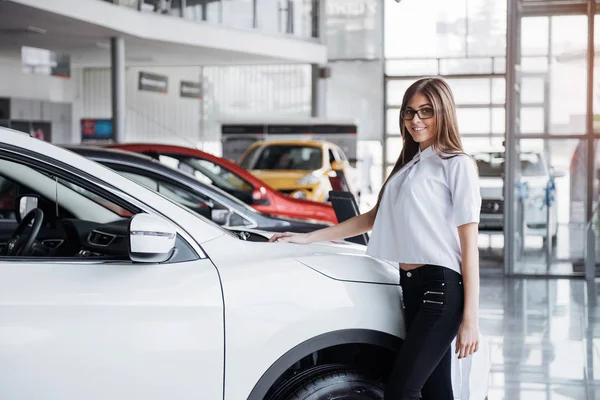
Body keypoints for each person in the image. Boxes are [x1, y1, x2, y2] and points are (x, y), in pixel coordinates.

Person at [269, 76, 481, 399]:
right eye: (409, 113)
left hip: (441, 290)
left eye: (426, 111)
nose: (415, 120)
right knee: (437, 392)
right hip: (411, 287)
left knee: (402, 390)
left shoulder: (457, 165)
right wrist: (308, 238)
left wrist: (471, 319)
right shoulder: (409, 166)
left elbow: (469, 245)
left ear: (444, 113)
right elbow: (371, 218)